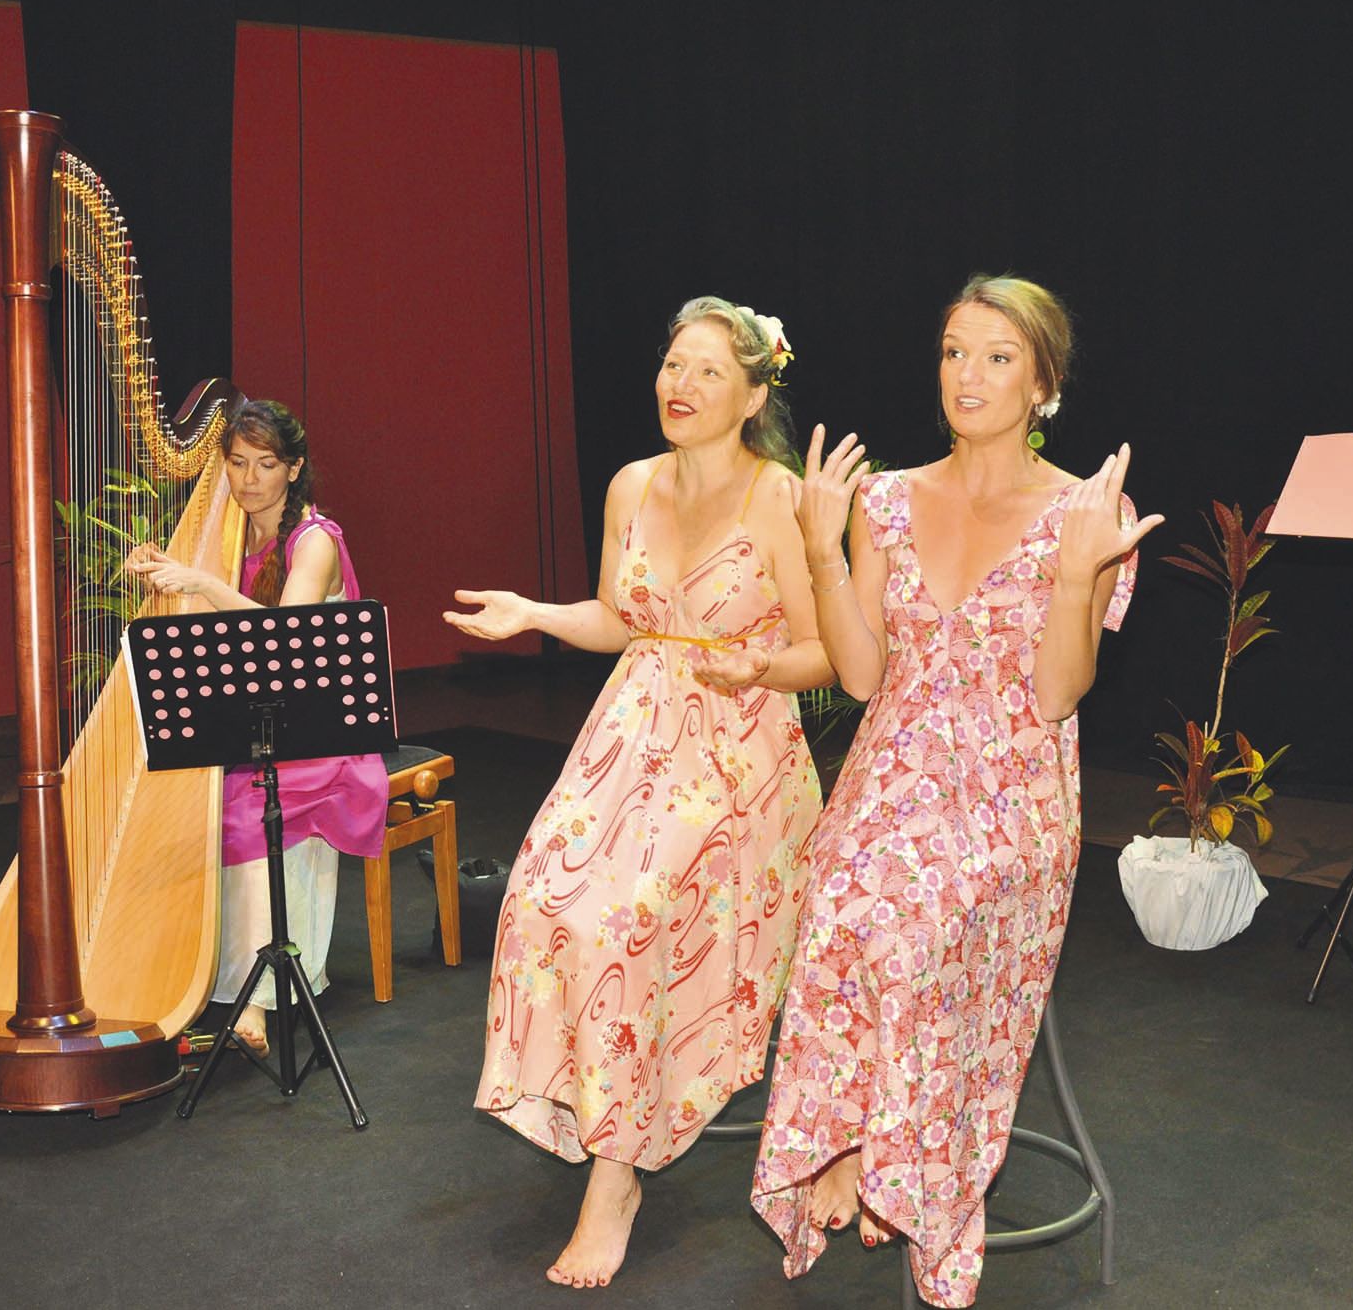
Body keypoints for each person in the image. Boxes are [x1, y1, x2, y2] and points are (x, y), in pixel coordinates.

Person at [749, 276, 1161, 1307]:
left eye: (995, 356)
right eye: (951, 351)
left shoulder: (1086, 513)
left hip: (1010, 792)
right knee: (844, 893)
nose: (966, 376)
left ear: (1042, 383)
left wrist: (1076, 576)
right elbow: (856, 674)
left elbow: (1060, 692)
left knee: (918, 915)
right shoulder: (885, 500)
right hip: (893, 774)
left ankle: (919, 1181)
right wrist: (820, 545)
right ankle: (855, 1138)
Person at [446, 297, 830, 1289]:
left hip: (740, 754)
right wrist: (533, 611)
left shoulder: (779, 498)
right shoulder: (629, 483)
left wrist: (761, 673)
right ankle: (596, 1102)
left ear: (752, 394)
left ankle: (613, 1176)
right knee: (539, 897)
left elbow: (830, 649)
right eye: (671, 363)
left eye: (706, 370)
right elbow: (621, 620)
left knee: (624, 922)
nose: (680, 383)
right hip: (633, 733)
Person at [125, 398, 387, 1056]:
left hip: (321, 733)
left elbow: (284, 637)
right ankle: (198, 976)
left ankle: (261, 1002)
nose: (248, 479)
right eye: (237, 464)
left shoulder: (315, 539)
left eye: (265, 465)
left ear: (293, 469)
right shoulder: (231, 535)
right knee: (198, 807)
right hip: (259, 729)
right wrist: (162, 570)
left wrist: (202, 586)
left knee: (247, 813)